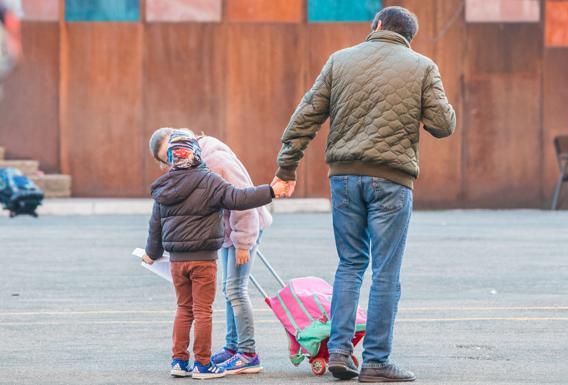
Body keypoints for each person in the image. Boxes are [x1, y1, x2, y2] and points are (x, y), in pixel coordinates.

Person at [271, 6, 456, 382]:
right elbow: (443, 124)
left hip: (344, 177)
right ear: (408, 38)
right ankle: (375, 361)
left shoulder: (340, 61)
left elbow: (304, 117)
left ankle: (338, 350)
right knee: (386, 271)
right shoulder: (422, 67)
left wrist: (286, 169)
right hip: (392, 181)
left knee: (350, 264)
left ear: (377, 26)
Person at [143, 130, 283, 380]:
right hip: (207, 252)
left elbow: (242, 200)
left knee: (213, 298)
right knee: (208, 306)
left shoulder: (200, 168)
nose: (171, 163)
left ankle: (234, 354)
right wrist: (271, 191)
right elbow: (238, 198)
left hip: (235, 234)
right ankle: (209, 361)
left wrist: (243, 242)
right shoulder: (205, 178)